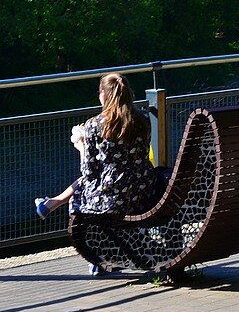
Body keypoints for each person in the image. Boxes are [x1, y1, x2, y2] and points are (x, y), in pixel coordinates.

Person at [34, 73, 160, 273]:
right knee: (100, 185)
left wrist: (81, 146)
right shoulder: (143, 119)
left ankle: (99, 256)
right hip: (143, 191)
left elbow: (89, 172)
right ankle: (51, 204)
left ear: (104, 94)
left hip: (112, 199)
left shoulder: (95, 125)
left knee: (81, 195)